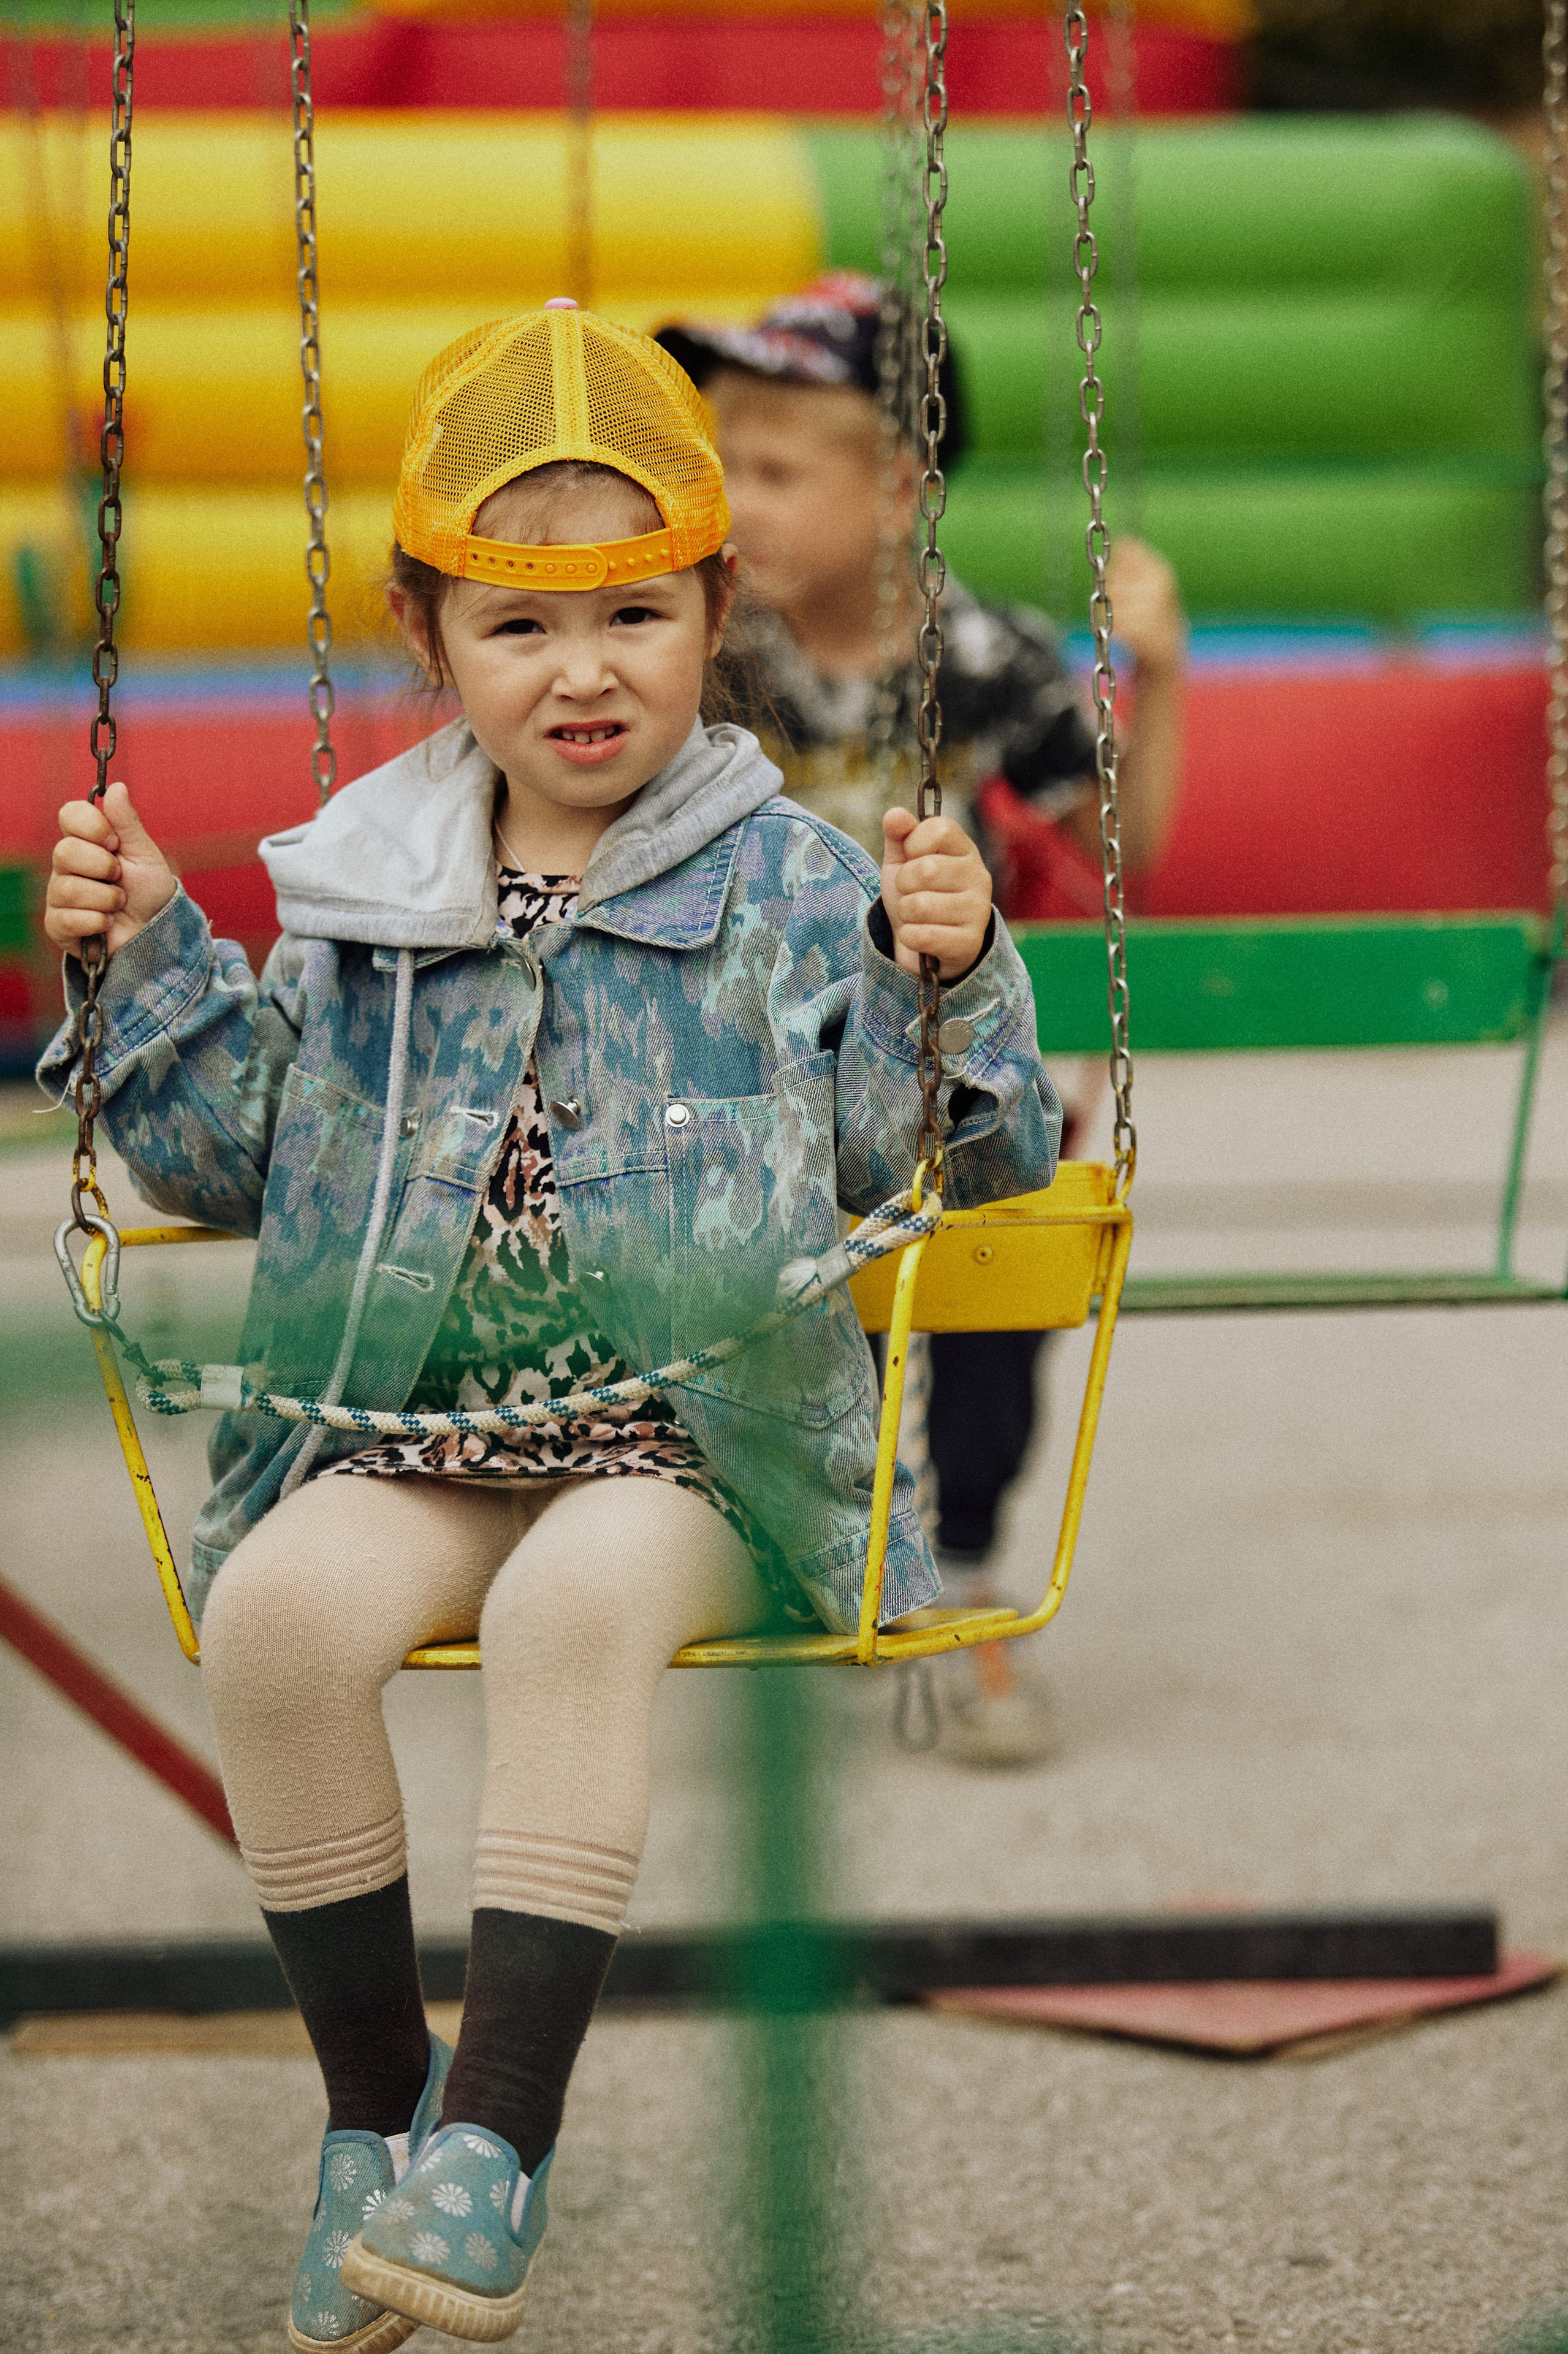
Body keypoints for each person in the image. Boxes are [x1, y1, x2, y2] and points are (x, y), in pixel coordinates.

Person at [39, 304, 1059, 2348]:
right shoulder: (359, 893)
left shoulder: (795, 881)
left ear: (712, 610)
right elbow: (239, 1162)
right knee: (280, 1620)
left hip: (701, 1436)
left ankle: (497, 2136)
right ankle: (374, 2121)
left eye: (633, 615)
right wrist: (144, 952)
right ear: (433, 640)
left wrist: (950, 973)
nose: (581, 670)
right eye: (518, 626)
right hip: (408, 1422)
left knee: (569, 1611)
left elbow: (926, 1157)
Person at [658, 273, 1187, 1770]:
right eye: (719, 467)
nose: (735, 503)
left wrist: (1158, 671)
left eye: (773, 470)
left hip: (954, 1090)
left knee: (990, 1293)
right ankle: (797, 1551)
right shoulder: (696, 656)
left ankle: (962, 1577)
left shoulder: (995, 666)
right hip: (745, 1088)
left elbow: (1122, 852)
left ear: (897, 487)